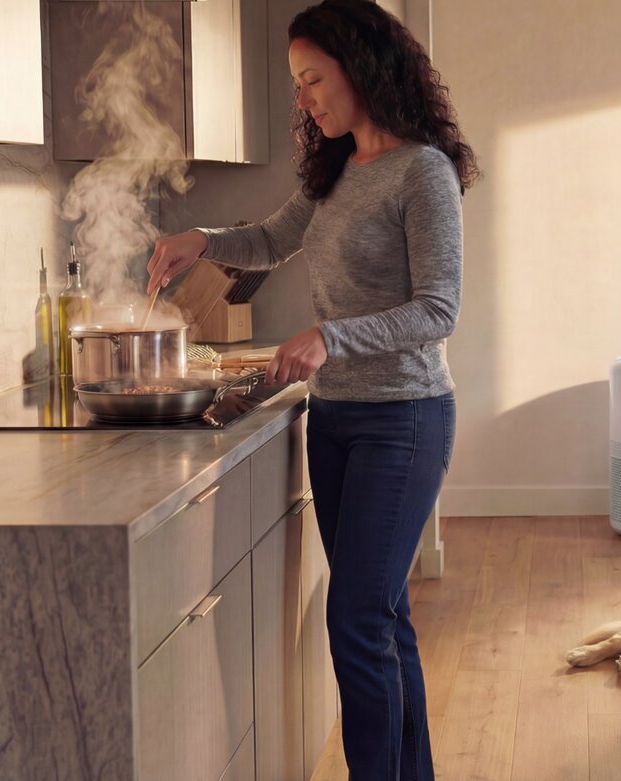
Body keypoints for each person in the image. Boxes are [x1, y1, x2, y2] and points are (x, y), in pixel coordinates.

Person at [146, 2, 478, 778]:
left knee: (357, 618)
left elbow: (439, 309)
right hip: (333, 421)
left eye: (312, 80)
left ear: (361, 69)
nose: (304, 98)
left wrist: (332, 336)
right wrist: (202, 240)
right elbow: (270, 239)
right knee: (382, 616)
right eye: (297, 84)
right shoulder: (336, 170)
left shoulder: (422, 171)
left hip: (403, 419)